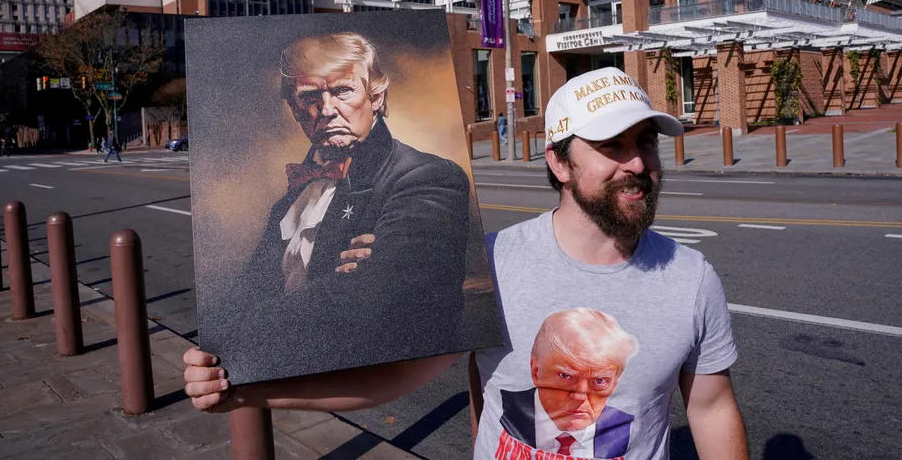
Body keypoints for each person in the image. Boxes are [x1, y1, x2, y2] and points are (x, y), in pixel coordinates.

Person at [184, 66, 747, 459]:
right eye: (611, 147)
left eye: (645, 143)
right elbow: (394, 372)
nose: (637, 164)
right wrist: (244, 388)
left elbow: (712, 407)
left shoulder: (692, 279)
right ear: (559, 162)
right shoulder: (496, 262)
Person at [205, 32, 472, 385]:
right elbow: (251, 288)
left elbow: (378, 299)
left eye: (343, 90)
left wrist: (243, 337)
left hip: (372, 380)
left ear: (376, 96)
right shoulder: (288, 203)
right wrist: (213, 355)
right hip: (286, 373)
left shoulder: (428, 176)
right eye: (310, 96)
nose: (327, 109)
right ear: (293, 108)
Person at [499, 308, 637, 458]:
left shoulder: (627, 426)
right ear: (535, 371)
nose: (580, 396)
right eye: (566, 376)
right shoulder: (504, 407)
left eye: (599, 381)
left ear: (614, 384)